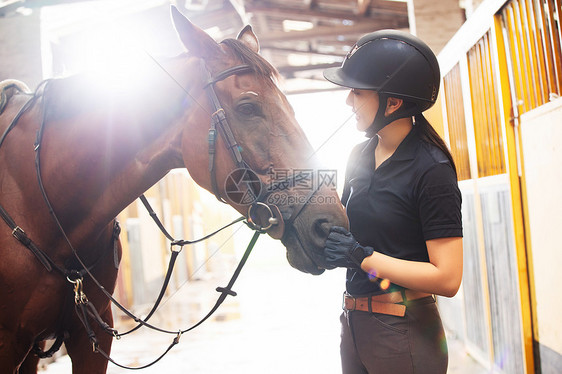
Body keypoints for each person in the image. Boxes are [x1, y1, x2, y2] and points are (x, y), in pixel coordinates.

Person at [321, 30, 463, 374]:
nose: (348, 102)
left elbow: (447, 278)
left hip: (403, 330)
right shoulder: (359, 155)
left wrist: (364, 257)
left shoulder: (432, 169)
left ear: (393, 102)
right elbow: (344, 232)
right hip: (354, 324)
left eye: (356, 92)